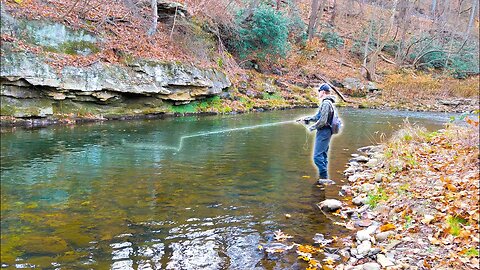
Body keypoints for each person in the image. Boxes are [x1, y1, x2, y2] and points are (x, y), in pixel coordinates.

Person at [298, 83, 338, 181]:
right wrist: (305, 119)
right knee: (323, 155)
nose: (318, 93)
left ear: (323, 92)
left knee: (317, 157)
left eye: (319, 91)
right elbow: (317, 117)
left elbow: (323, 121)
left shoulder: (325, 103)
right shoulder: (327, 103)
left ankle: (324, 177)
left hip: (324, 132)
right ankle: (324, 177)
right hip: (326, 131)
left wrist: (311, 128)